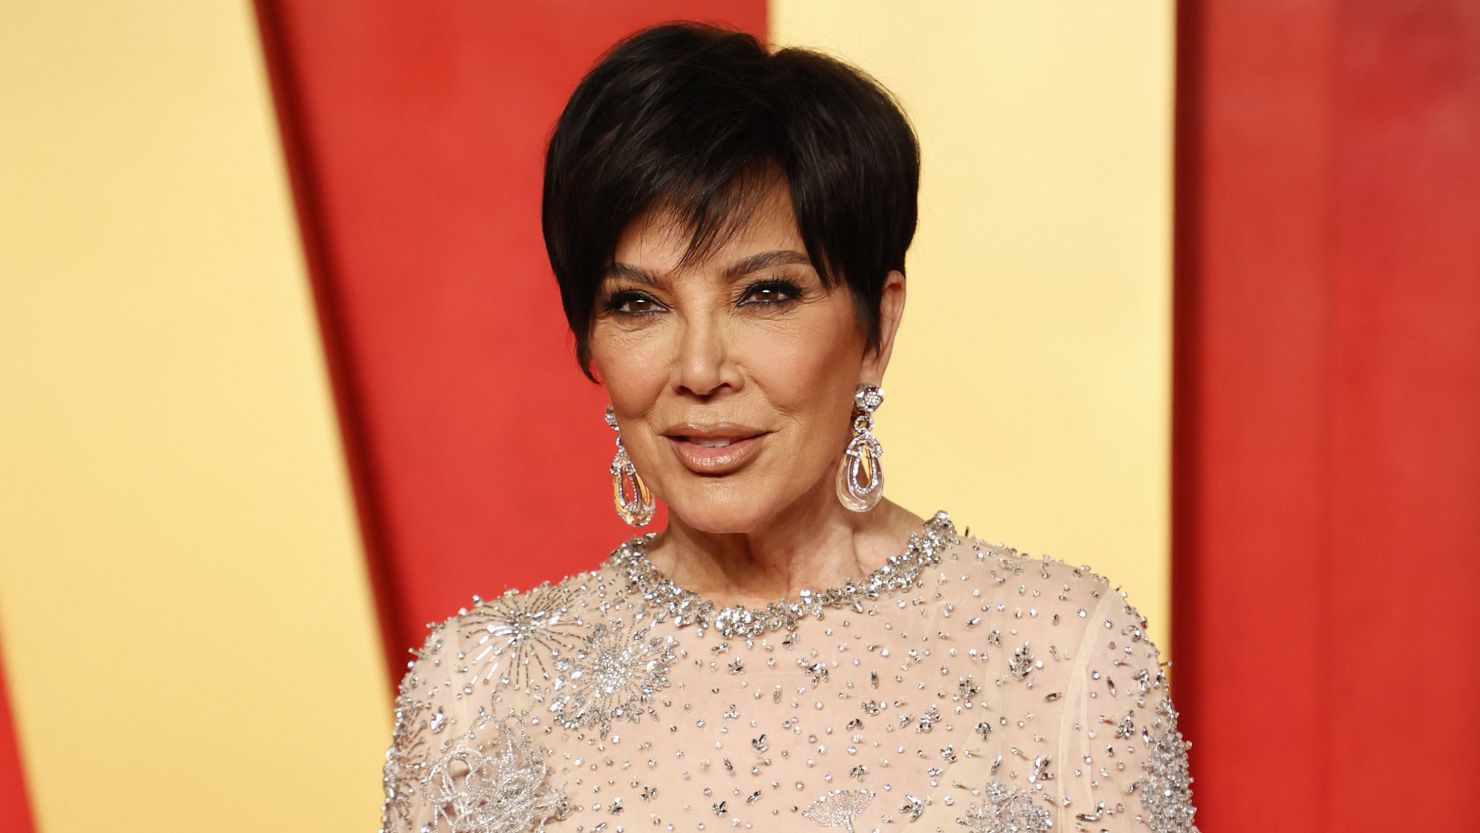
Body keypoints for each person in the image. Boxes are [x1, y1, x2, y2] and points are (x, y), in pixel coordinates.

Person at [379, 20, 1198, 833]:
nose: (700, 369)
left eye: (765, 294)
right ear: (590, 341)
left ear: (877, 327)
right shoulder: (477, 689)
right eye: (638, 304)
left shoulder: (1064, 658)